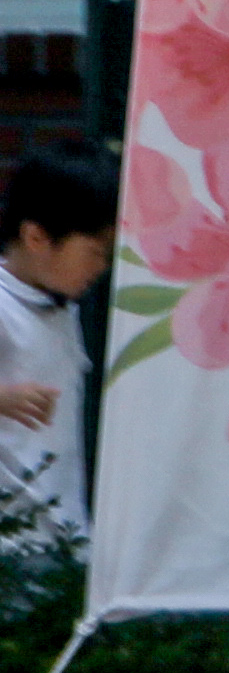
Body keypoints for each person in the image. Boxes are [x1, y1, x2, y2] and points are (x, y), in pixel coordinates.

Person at [0, 147, 113, 555]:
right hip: (11, 548)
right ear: (36, 238)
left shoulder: (61, 308)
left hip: (63, 537)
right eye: (95, 252)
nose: (101, 268)